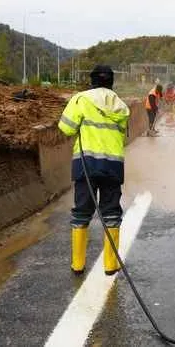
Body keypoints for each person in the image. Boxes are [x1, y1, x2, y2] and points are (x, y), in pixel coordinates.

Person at [57, 65, 130, 275]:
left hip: (86, 164)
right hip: (113, 166)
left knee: (81, 213)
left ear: (92, 81)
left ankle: (78, 265)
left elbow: (66, 128)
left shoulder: (80, 99)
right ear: (111, 82)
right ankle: (110, 265)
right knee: (111, 213)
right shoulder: (122, 106)